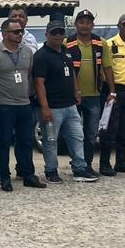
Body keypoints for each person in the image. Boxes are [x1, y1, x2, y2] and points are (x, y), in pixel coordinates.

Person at [33, 20, 98, 183]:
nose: (57, 35)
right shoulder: (41, 56)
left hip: (70, 105)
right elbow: (39, 83)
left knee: (77, 137)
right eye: (54, 32)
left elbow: (72, 73)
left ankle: (80, 168)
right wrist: (45, 107)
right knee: (50, 141)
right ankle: (51, 171)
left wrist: (76, 91)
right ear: (46, 34)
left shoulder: (66, 51)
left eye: (60, 32)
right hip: (53, 107)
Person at [0, 19, 46, 191]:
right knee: (4, 141)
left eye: (21, 31)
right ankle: (4, 177)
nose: (20, 34)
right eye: (16, 31)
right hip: (4, 104)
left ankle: (28, 174)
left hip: (24, 102)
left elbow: (28, 74)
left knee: (26, 140)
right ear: (5, 34)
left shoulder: (27, 51)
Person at [67, 9, 115, 176]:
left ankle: (86, 164)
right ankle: (77, 164)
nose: (85, 25)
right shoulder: (68, 43)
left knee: (91, 133)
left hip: (94, 96)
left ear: (92, 25)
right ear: (76, 24)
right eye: (81, 22)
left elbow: (107, 67)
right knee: (74, 134)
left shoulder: (101, 43)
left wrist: (112, 91)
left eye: (88, 22)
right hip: (73, 97)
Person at [98, 14, 125, 175]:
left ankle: (121, 162)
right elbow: (104, 69)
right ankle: (104, 164)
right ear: (119, 26)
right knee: (109, 129)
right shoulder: (109, 45)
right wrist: (110, 91)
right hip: (113, 90)